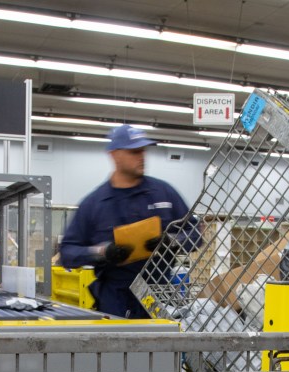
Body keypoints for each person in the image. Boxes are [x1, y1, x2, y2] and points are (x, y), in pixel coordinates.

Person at [59, 124, 198, 318]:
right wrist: (102, 252)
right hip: (114, 298)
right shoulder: (95, 204)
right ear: (114, 155)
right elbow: (67, 252)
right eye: (134, 152)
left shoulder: (164, 193)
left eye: (143, 151)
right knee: (118, 347)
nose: (141, 157)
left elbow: (195, 234)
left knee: (161, 347)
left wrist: (170, 242)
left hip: (158, 294)